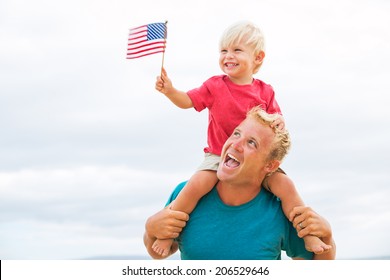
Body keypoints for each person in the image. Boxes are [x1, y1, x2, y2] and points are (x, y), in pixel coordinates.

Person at [153, 20, 330, 257]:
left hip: (255, 162)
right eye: (223, 51)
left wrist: (279, 121)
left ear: (257, 58)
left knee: (286, 187)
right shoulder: (215, 86)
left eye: (237, 50)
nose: (228, 56)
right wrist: (170, 92)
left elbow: (276, 121)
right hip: (218, 155)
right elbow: (189, 101)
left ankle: (308, 234)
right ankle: (167, 235)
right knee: (196, 186)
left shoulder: (265, 91)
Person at [144, 107, 336, 260]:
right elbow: (159, 251)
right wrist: (150, 229)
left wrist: (327, 237)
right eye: (236, 134)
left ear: (270, 165)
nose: (235, 144)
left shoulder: (279, 210)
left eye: (251, 143)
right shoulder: (187, 193)